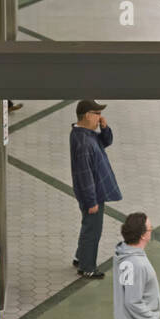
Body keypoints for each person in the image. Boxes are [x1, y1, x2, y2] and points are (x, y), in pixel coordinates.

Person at [69, 100, 122, 280]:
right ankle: (87, 267)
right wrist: (91, 201)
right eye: (97, 114)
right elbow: (85, 176)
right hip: (93, 195)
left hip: (92, 193)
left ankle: (79, 257)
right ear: (87, 115)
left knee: (88, 226)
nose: (100, 117)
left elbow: (105, 142)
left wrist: (105, 129)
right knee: (93, 231)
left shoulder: (84, 133)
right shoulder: (84, 143)